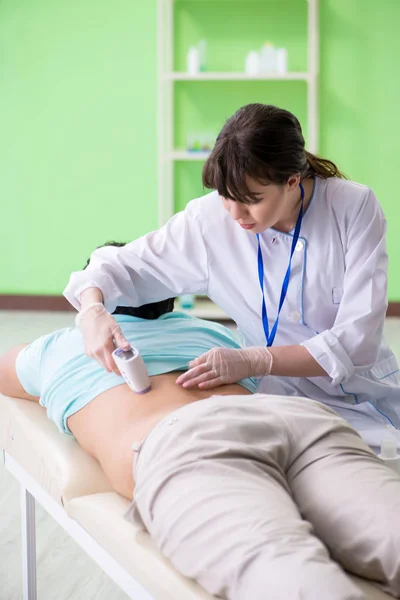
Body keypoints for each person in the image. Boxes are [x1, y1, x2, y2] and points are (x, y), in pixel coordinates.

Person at [2, 243, 400, 599]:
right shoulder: (213, 333)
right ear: (170, 300)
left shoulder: (58, 347)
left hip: (186, 445)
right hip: (295, 420)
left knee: (292, 575)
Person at [63, 103, 400, 450]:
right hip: (276, 401)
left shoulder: (353, 207)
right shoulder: (208, 220)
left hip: (367, 398)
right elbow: (122, 264)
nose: (235, 214)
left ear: (292, 181)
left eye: (252, 200)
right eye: (225, 196)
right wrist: (92, 311)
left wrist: (256, 359)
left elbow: (358, 338)